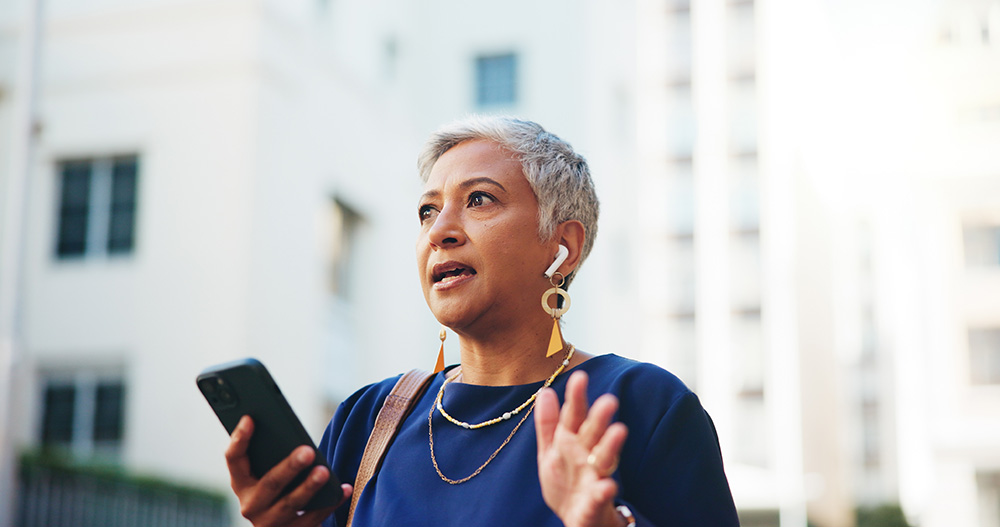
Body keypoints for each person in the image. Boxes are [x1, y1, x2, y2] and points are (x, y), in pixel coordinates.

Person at [225, 116, 740, 526]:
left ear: (562, 247)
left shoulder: (643, 406)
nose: (439, 232)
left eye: (479, 199)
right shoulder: (366, 419)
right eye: (427, 211)